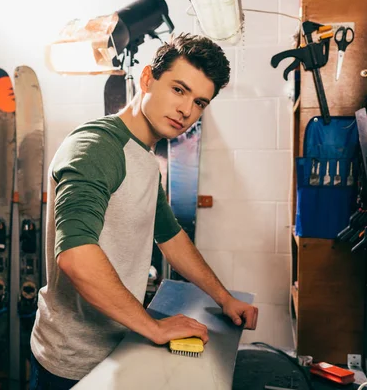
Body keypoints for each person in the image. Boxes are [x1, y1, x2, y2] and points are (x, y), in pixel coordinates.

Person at [29, 33, 259, 390]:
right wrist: (153, 326)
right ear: (148, 78)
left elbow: (171, 237)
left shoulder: (144, 159)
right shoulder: (96, 148)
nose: (187, 110)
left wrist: (224, 298)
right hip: (73, 365)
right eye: (178, 90)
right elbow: (75, 255)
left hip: (121, 347)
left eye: (200, 102)